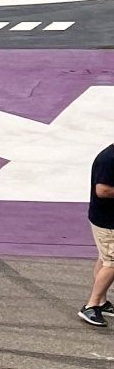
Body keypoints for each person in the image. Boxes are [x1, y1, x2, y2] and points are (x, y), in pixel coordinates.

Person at [79, 140, 114, 327]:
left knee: (105, 257)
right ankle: (91, 305)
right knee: (112, 262)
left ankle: (101, 302)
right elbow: (103, 190)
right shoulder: (108, 159)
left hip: (108, 219)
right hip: (107, 222)